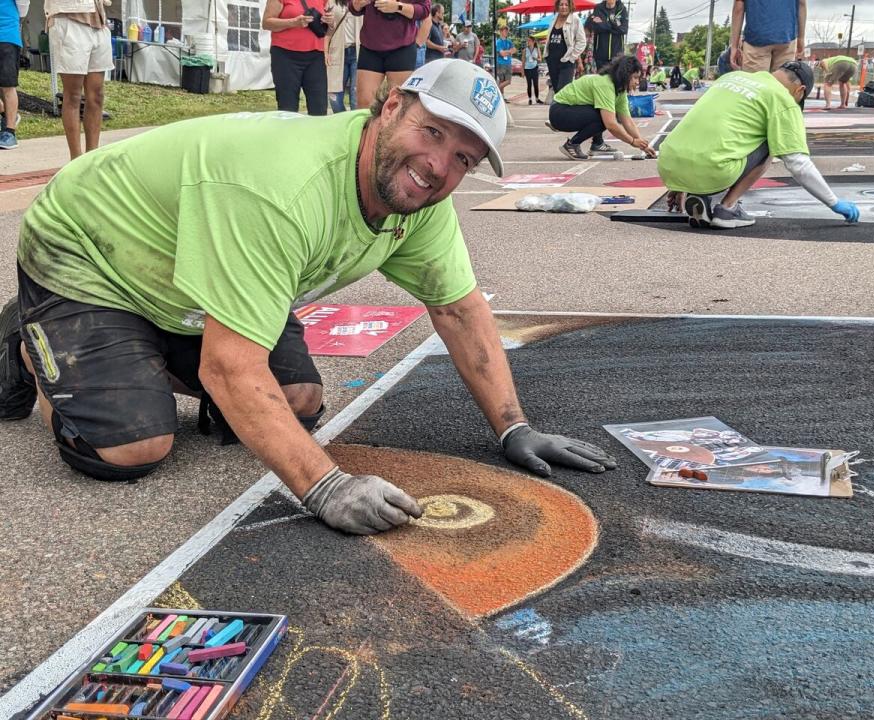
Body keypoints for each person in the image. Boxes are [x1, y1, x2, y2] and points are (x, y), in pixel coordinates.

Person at [0, 59, 617, 536]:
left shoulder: (418, 199)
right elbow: (229, 366)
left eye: (462, 157)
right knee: (133, 447)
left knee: (295, 403)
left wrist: (514, 428)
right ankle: (30, 341)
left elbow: (458, 308)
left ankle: (131, 353)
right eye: (430, 132)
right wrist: (324, 486)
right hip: (91, 252)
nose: (436, 165)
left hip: (185, 274)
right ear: (390, 107)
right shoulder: (284, 189)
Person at [657, 61, 860, 230]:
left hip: (667, 164)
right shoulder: (782, 98)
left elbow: (703, 125)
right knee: (774, 142)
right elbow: (797, 163)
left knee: (723, 133)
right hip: (713, 169)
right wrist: (834, 203)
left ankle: (696, 193)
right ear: (800, 90)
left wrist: (677, 184)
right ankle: (728, 209)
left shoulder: (730, 77)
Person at [549, 54, 656, 160]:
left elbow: (627, 121)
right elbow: (611, 125)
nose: (637, 82)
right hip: (559, 112)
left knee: (604, 115)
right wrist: (632, 141)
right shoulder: (605, 84)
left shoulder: (620, 90)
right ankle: (572, 145)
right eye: (635, 78)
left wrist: (644, 146)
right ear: (625, 74)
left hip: (567, 110)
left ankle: (597, 144)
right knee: (604, 118)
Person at [44, 0, 112, 159]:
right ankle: (75, 159)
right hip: (68, 18)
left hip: (97, 20)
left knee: (96, 95)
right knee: (73, 95)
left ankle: (92, 158)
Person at [349, 0, 429, 108]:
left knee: (398, 104)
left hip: (402, 47)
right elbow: (353, 7)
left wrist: (398, 7)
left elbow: (424, 10)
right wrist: (358, 3)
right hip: (370, 45)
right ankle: (368, 125)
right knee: (364, 103)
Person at [263, 0, 329, 116]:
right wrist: (293, 22)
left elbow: (325, 30)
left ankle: (316, 133)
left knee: (320, 107)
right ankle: (288, 133)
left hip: (315, 55)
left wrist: (330, 22)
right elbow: (266, 23)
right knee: (288, 107)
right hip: (285, 55)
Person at [730, 0, 806, 73]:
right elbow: (801, 3)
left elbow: (738, 7)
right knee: (781, 83)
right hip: (786, 36)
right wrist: (801, 38)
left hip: (757, 38)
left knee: (756, 84)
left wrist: (734, 46)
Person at [545, 0, 585, 96]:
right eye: (561, 4)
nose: (563, 7)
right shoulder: (554, 19)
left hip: (566, 62)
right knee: (557, 91)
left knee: (563, 92)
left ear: (570, 6)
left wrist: (572, 58)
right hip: (552, 61)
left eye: (566, 4)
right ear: (557, 6)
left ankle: (563, 110)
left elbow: (582, 41)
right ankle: (559, 111)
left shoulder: (575, 19)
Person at [0, 0, 25, 149]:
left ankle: (10, 132)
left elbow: (23, 5)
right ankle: (8, 114)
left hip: (6, 34)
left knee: (7, 85)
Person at [588, 0, 627, 72]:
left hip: (617, 55)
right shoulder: (598, 8)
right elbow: (595, 27)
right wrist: (614, 25)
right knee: (601, 80)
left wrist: (604, 24)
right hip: (600, 54)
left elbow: (624, 30)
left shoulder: (622, 9)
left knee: (615, 80)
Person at [325, 0, 350, 112]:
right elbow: (325, 29)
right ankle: (341, 124)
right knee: (334, 95)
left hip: (360, 51)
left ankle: (355, 128)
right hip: (336, 50)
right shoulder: (330, 2)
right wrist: (325, 51)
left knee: (356, 96)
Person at [494, 25, 515, 99]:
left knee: (508, 81)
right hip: (501, 63)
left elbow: (514, 50)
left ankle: (496, 90)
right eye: (505, 31)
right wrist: (509, 51)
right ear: (501, 32)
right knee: (502, 80)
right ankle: (501, 96)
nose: (506, 32)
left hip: (508, 63)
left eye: (507, 31)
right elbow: (501, 53)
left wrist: (506, 52)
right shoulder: (498, 42)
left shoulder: (509, 41)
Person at [523, 35, 542, 104]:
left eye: (529, 41)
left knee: (536, 84)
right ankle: (530, 99)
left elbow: (540, 59)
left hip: (535, 68)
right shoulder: (525, 50)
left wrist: (536, 58)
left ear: (533, 41)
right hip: (527, 69)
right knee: (529, 85)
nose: (528, 42)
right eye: (527, 41)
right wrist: (522, 71)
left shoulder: (537, 49)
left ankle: (537, 99)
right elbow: (523, 61)